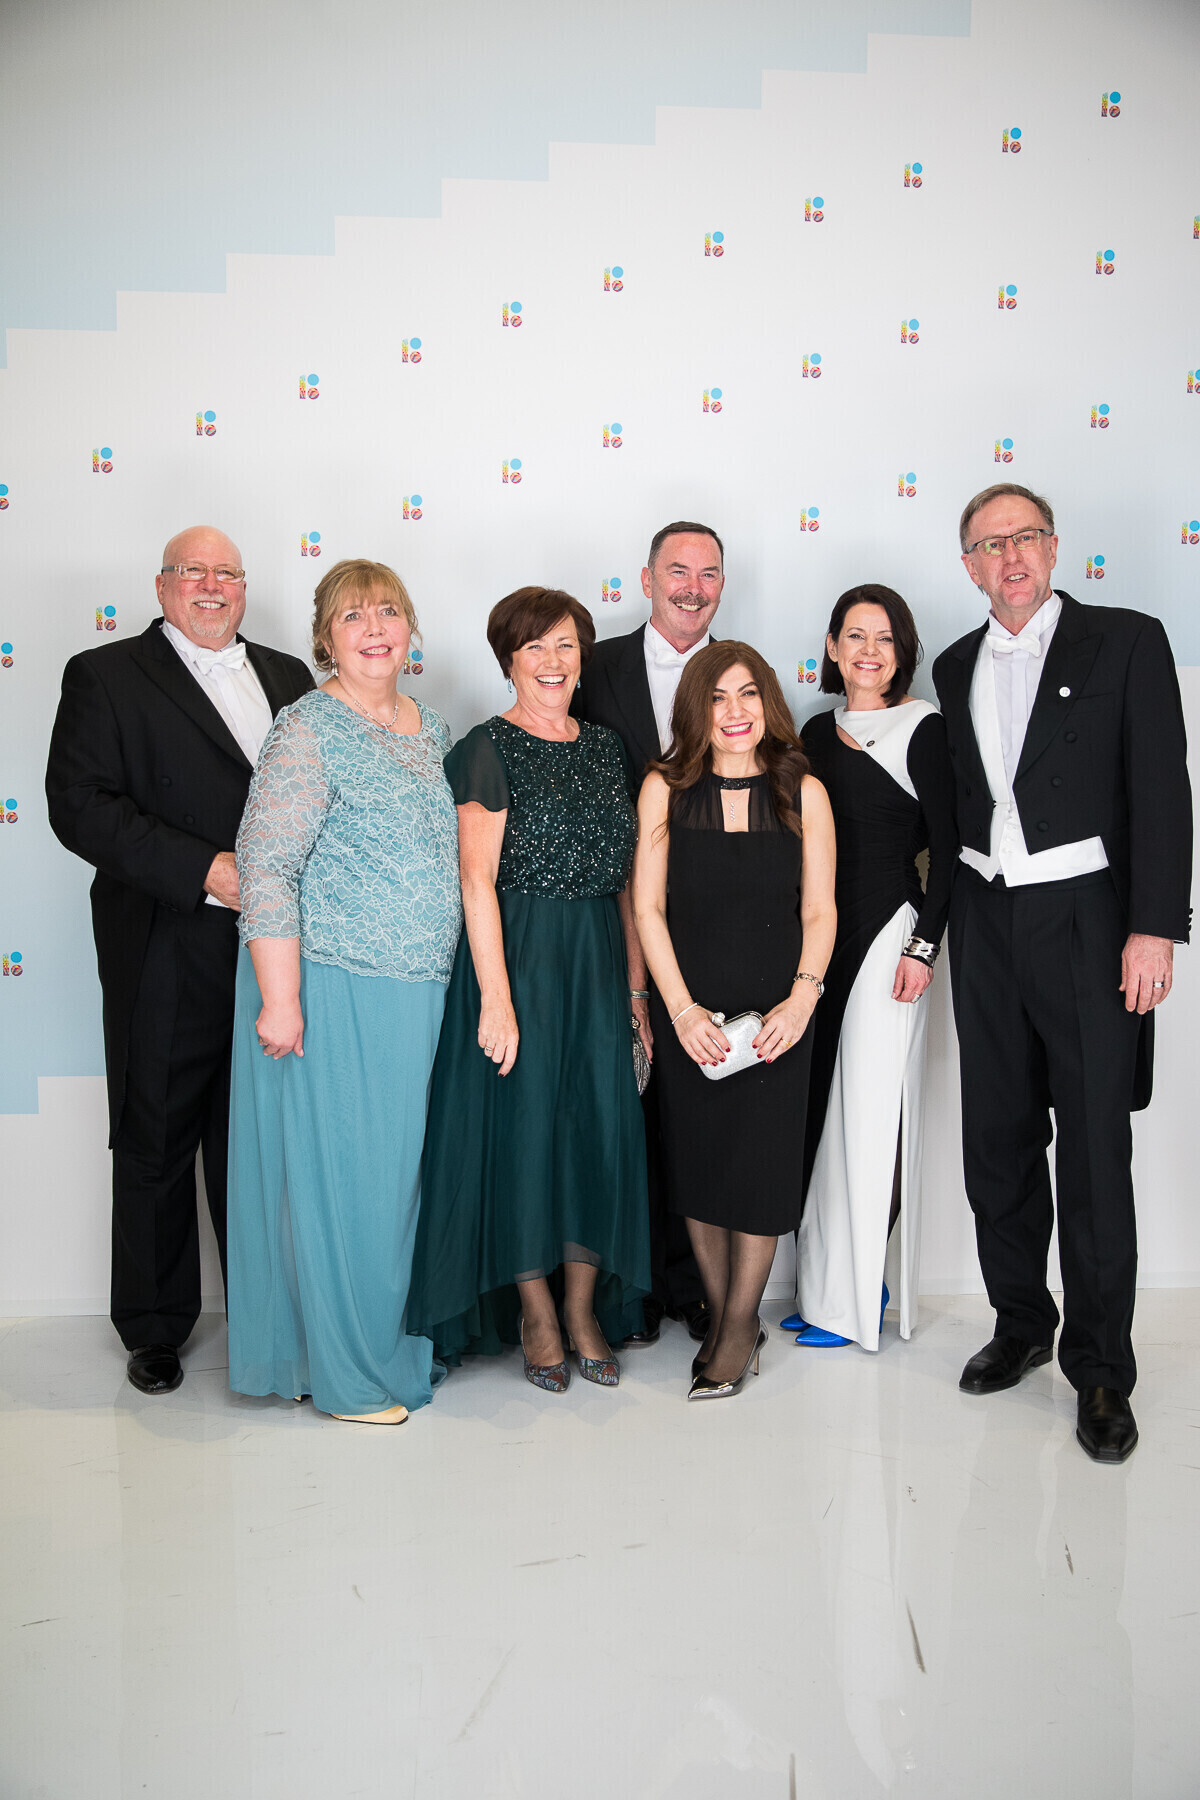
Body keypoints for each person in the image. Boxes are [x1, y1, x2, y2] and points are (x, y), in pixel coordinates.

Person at [934, 483, 1192, 1463]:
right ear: (969, 565)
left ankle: (1101, 1369)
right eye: (990, 544)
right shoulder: (953, 662)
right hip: (985, 916)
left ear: (1052, 547)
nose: (1011, 557)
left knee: (1091, 1146)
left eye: (1026, 537)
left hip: (1088, 918)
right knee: (996, 1138)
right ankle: (1021, 1322)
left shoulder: (1125, 640)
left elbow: (1162, 791)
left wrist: (1153, 929)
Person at [45, 528, 312, 1395]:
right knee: (156, 1135)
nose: (211, 584)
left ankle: (267, 1314)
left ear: (245, 587)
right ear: (162, 587)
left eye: (226, 572)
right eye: (192, 571)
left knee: (259, 1136)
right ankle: (155, 1328)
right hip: (166, 937)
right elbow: (80, 805)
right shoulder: (105, 674)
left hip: (278, 945)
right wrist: (204, 870)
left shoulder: (289, 675)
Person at [227, 559, 460, 1425]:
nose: (374, 629)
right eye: (353, 616)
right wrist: (281, 999)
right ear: (326, 636)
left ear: (410, 628)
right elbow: (266, 867)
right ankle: (348, 1375)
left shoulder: (432, 728)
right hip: (332, 986)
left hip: (419, 993)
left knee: (392, 1187)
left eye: (388, 611)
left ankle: (354, 1345)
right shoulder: (306, 728)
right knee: (343, 1184)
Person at [407, 588, 650, 1392]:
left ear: (584, 658)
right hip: (520, 961)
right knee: (524, 1138)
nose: (552, 661)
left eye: (566, 645)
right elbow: (475, 880)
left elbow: (626, 883)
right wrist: (497, 999)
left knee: (597, 1138)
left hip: (598, 963)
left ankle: (582, 1309)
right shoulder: (487, 746)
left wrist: (637, 995)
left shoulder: (607, 748)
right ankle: (537, 1313)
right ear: (508, 659)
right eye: (535, 647)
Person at [632, 643, 837, 1399]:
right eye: (716, 697)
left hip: (779, 1018)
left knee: (760, 1172)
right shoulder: (664, 789)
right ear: (696, 708)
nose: (734, 711)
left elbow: (820, 911)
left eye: (748, 693)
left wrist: (803, 999)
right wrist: (680, 1010)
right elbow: (648, 909)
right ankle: (724, 1317)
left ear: (768, 702)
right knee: (701, 1167)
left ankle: (741, 1324)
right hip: (692, 1016)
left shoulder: (803, 791)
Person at [786, 585, 957, 1351]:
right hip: (821, 943)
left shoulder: (924, 727)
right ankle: (829, 1287)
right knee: (826, 1117)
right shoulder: (813, 733)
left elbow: (949, 849)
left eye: (884, 638)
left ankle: (857, 1300)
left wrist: (924, 947)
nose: (868, 651)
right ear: (832, 647)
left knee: (871, 1115)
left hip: (892, 934)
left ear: (902, 651)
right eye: (855, 635)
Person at [572, 520, 726, 1348]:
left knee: (696, 1104)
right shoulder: (591, 667)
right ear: (646, 578)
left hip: (709, 916)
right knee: (621, 1099)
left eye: (708, 573)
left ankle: (693, 1286)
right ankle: (626, 1289)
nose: (692, 588)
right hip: (612, 918)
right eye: (678, 570)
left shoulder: (738, 675)